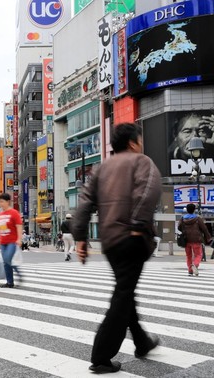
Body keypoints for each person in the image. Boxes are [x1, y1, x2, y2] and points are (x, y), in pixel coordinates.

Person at [73, 123, 161, 373]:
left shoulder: (101, 168)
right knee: (123, 293)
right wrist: (137, 224)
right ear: (133, 142)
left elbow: (85, 201)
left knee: (125, 288)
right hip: (131, 237)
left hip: (109, 241)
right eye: (140, 140)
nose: (141, 144)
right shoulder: (141, 161)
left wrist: (80, 236)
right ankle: (101, 356)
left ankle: (142, 342)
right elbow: (148, 191)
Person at [0, 193, 23, 289]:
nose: (0, 204)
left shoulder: (14, 213)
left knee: (7, 259)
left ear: (8, 202)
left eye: (2, 201)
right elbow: (1, 229)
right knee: (6, 262)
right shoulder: (0, 214)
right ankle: (10, 282)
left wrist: (19, 239)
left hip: (12, 241)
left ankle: (19, 273)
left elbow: (19, 226)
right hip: (3, 242)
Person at [178, 204, 211, 276]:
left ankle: (190, 270)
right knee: (198, 254)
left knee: (188, 255)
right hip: (196, 239)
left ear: (186, 210)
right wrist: (208, 237)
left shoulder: (183, 218)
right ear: (194, 210)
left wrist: (184, 231)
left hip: (186, 239)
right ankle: (195, 265)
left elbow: (179, 227)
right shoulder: (197, 218)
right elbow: (204, 228)